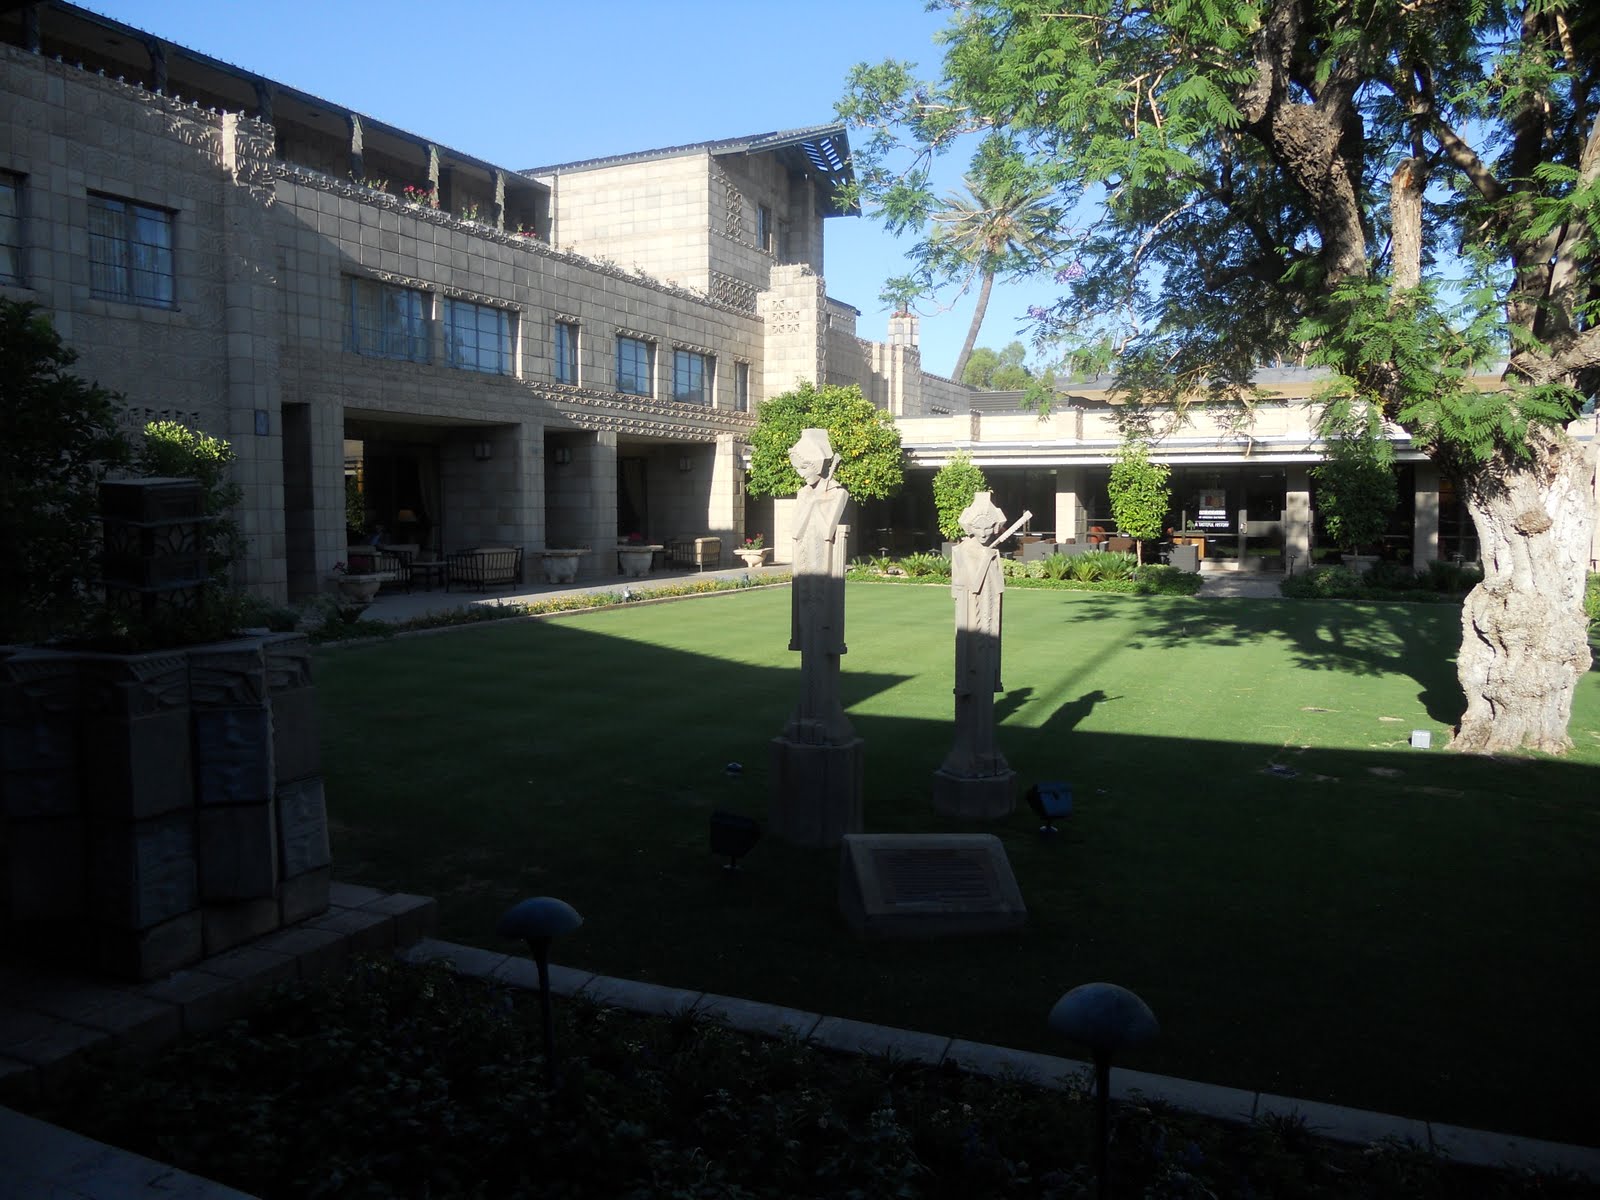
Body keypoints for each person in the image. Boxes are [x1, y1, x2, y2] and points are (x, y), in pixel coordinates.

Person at [784, 428, 852, 745]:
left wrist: (819, 499)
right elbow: (796, 530)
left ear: (820, 464)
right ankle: (806, 711)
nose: (801, 474)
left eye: (805, 467)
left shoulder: (836, 492)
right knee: (806, 640)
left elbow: (827, 530)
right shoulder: (804, 494)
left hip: (825, 579)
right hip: (805, 575)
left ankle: (821, 711)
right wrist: (810, 499)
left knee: (821, 642)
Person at [943, 491, 1008, 777]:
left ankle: (986, 749)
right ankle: (970, 751)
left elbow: (997, 589)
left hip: (990, 625)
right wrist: (987, 556)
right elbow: (970, 584)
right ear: (969, 527)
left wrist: (991, 557)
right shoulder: (963, 551)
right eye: (978, 527)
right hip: (970, 629)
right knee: (971, 685)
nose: (983, 533)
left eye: (988, 528)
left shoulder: (991, 551)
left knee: (986, 684)